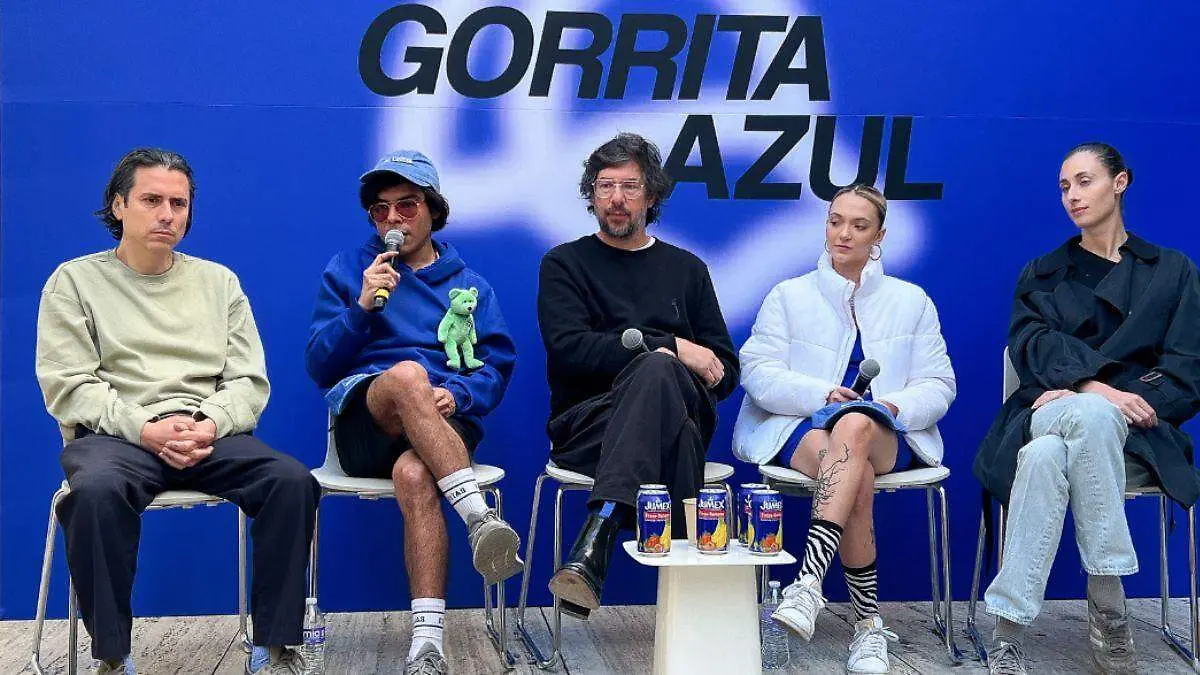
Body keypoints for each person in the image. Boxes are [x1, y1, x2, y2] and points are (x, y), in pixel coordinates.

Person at [35, 148, 319, 675]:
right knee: (93, 493)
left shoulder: (219, 282)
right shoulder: (73, 282)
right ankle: (114, 657)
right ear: (118, 205)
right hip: (115, 436)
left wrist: (208, 424)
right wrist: (144, 428)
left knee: (291, 481)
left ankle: (276, 648)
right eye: (152, 200)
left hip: (206, 430)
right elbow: (68, 384)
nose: (167, 214)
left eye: (179, 203)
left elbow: (249, 381)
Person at [974, 143, 1200, 675]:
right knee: (1088, 416)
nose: (1072, 196)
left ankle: (1007, 632)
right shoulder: (1044, 272)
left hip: (1135, 433)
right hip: (1048, 409)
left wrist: (1119, 401)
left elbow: (1187, 367)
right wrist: (1095, 389)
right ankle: (1109, 598)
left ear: (1119, 183)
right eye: (1064, 187)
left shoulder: (1171, 271)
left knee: (1047, 457)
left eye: (1084, 181)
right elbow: (1030, 346)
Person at [305, 149, 520, 674]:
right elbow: (319, 364)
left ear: (433, 210)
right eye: (380, 210)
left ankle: (427, 644)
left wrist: (459, 396)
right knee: (406, 375)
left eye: (406, 205)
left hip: (442, 425)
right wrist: (361, 308)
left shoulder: (470, 284)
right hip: (368, 424)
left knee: (415, 474)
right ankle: (478, 517)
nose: (393, 219)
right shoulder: (351, 270)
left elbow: (495, 367)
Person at [733, 183, 955, 673]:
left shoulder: (911, 301)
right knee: (855, 473)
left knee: (856, 425)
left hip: (887, 435)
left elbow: (939, 385)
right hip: (803, 427)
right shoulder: (788, 295)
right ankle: (868, 626)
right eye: (836, 222)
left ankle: (808, 583)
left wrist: (891, 406)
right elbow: (758, 372)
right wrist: (821, 393)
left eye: (859, 225)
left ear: (879, 235)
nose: (844, 234)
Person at [536, 132, 739, 618]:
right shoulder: (564, 263)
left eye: (630, 186)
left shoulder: (688, 270)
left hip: (676, 412)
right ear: (591, 194)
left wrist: (670, 360)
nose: (616, 198)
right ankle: (697, 613)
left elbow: (726, 371)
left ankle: (599, 534)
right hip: (591, 427)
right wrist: (671, 346)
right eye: (605, 185)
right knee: (659, 374)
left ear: (651, 196)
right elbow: (569, 351)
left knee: (659, 374)